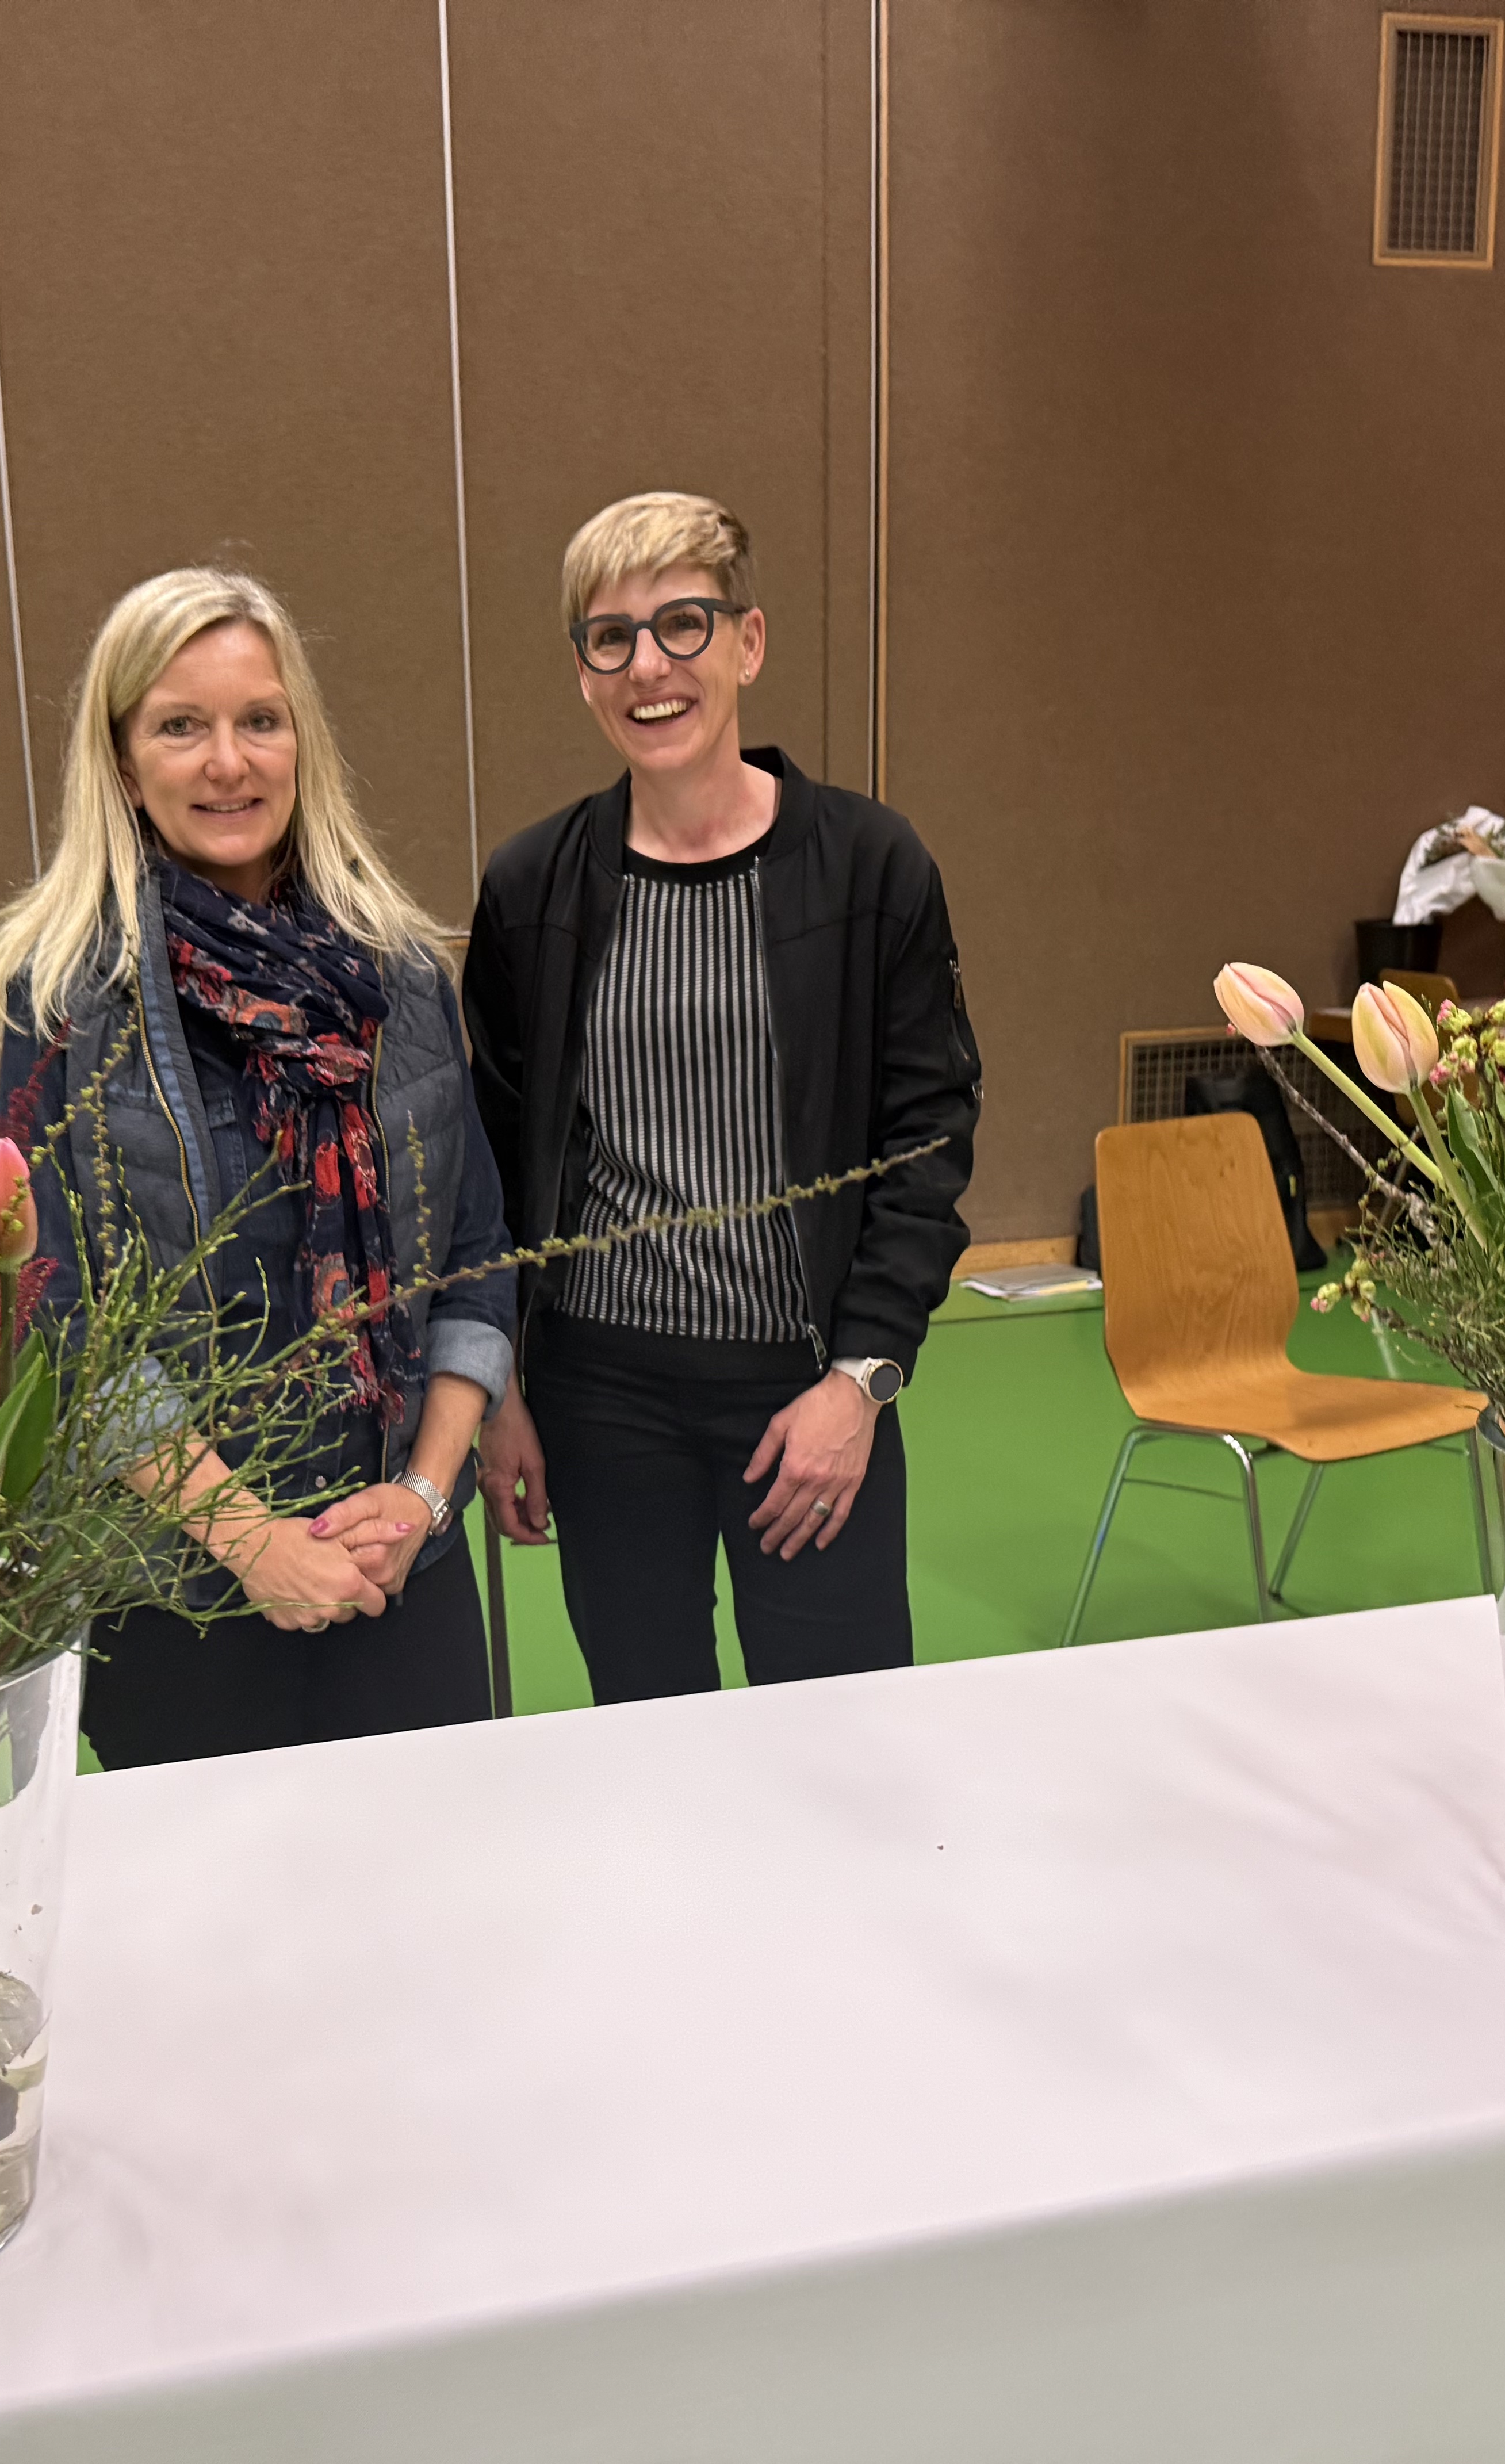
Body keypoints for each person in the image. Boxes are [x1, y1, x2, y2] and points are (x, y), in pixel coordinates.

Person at [0, 568, 514, 1766]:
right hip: (172, 1591)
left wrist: (422, 1498)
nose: (228, 762)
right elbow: (60, 1315)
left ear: (300, 740)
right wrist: (247, 1537)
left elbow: (474, 1260)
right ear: (123, 763)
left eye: (259, 720)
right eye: (181, 726)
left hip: (396, 1563)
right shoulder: (63, 997)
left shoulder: (398, 973)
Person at [464, 492, 979, 1701]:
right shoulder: (533, 885)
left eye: (682, 625)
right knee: (647, 1723)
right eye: (611, 638)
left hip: (806, 1383)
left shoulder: (871, 867)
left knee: (845, 1725)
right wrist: (502, 1393)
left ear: (747, 643)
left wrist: (863, 1379)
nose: (649, 666)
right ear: (584, 673)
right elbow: (492, 1159)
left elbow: (927, 1139)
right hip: (601, 1393)